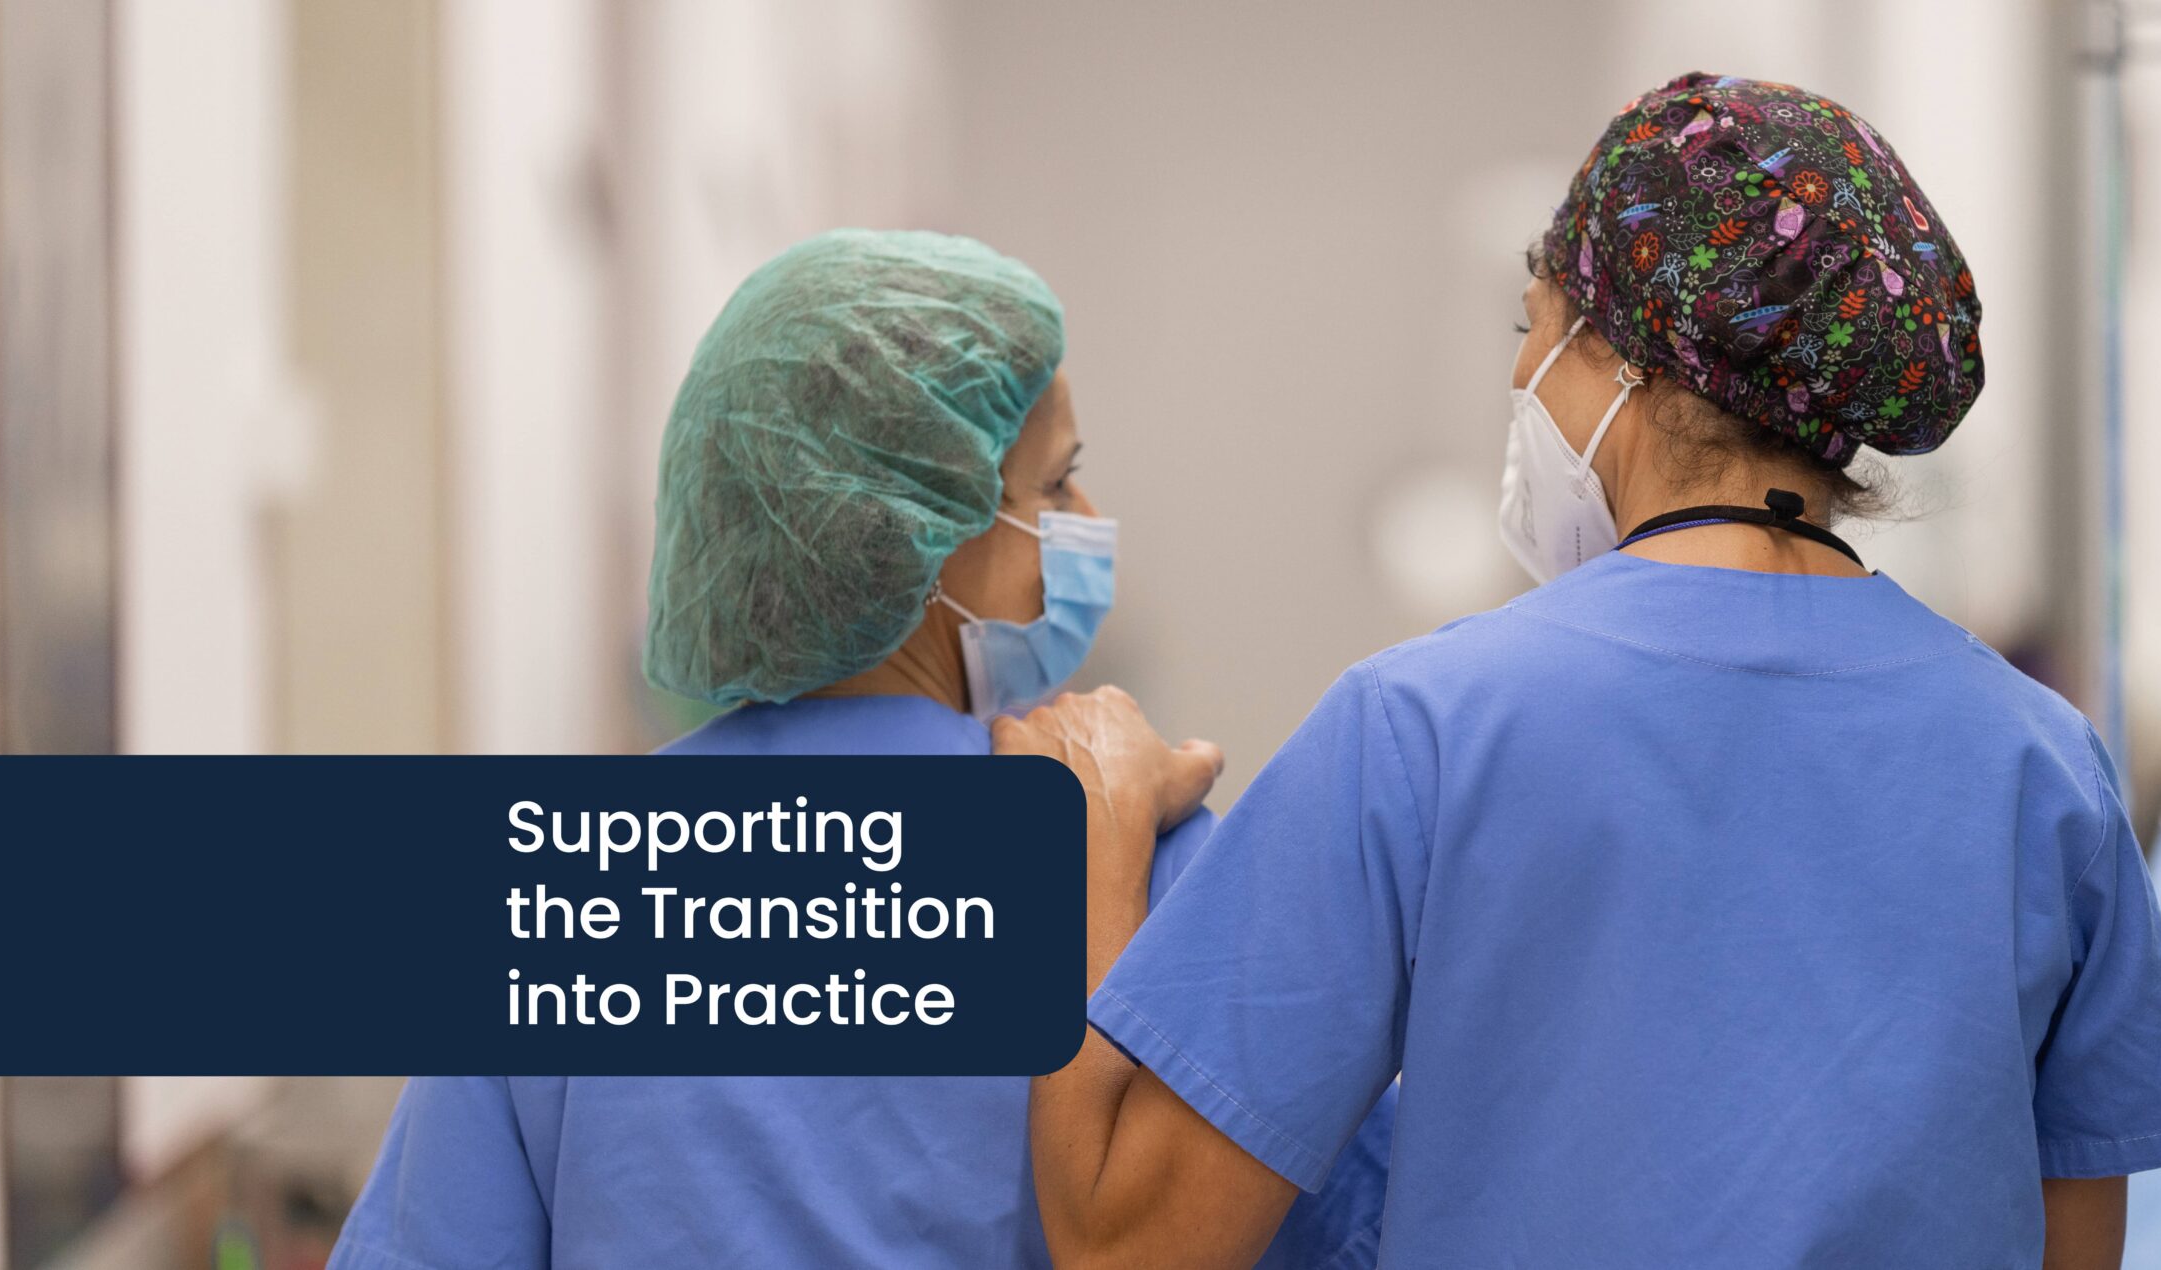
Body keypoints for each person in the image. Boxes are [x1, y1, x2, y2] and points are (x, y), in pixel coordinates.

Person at [1003, 74, 2161, 1269]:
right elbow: (2070, 1245)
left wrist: (1089, 851)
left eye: (1527, 326)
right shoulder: (2041, 765)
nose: (1521, 375)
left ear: (1619, 353)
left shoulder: (1421, 730)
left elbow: (1129, 1243)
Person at [327, 229, 1392, 1270]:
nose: (1091, 517)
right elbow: (1352, 1227)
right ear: (920, 532)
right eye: (1057, 485)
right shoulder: (1131, 857)